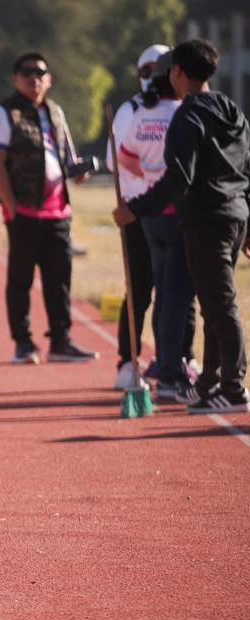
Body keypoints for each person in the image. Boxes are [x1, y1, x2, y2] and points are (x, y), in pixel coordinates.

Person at [114, 38, 250, 414]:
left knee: (220, 305)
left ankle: (234, 388)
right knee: (210, 303)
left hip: (206, 220)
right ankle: (209, 381)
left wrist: (136, 208)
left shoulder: (186, 118)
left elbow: (179, 181)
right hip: (234, 215)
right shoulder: (232, 110)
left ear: (177, 73)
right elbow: (245, 169)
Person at [0, 52, 97, 364]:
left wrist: (78, 171)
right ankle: (23, 342)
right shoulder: (4, 113)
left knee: (59, 277)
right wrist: (12, 206)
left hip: (58, 212)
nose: (34, 77)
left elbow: (67, 156)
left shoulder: (56, 112)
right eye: (26, 72)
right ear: (15, 78)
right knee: (20, 279)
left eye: (40, 72)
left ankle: (60, 341)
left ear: (49, 79)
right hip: (23, 212)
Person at [115, 50, 196, 401]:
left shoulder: (140, 114)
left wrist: (149, 175)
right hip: (175, 213)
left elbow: (123, 157)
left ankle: (169, 364)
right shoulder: (182, 113)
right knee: (175, 295)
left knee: (162, 292)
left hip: (148, 212)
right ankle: (169, 369)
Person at [107, 45, 167, 389]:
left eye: (160, 70)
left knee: (175, 293)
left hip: (174, 214)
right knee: (140, 290)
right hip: (137, 213)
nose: (153, 78)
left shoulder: (180, 108)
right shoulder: (129, 111)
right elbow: (118, 162)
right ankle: (127, 363)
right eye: (147, 71)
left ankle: (175, 360)